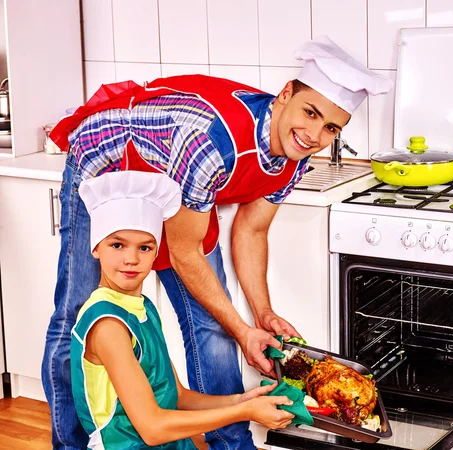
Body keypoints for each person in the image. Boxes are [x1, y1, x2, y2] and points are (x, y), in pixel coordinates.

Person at [42, 35, 393, 450]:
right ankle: (69, 444)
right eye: (310, 113)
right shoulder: (214, 140)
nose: (315, 134)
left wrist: (260, 317)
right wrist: (242, 330)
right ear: (285, 95)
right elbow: (185, 252)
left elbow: (251, 231)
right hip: (103, 164)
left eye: (330, 127)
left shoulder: (294, 155)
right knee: (75, 315)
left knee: (214, 326)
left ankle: (232, 444)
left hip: (177, 184)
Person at [71, 170, 294, 449]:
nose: (131, 259)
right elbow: (152, 429)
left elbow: (176, 396)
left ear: (156, 253)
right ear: (95, 247)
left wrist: (242, 400)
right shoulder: (108, 326)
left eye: (145, 247)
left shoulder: (143, 309)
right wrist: (244, 413)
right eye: (117, 245)